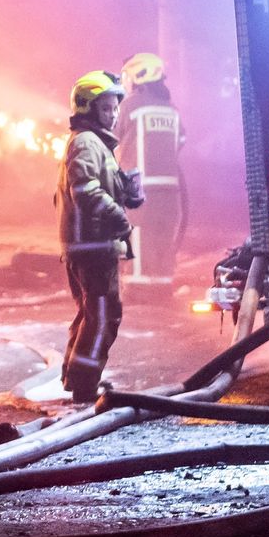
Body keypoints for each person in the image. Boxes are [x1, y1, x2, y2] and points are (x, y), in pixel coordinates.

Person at [57, 70, 143, 400]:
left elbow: (98, 187)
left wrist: (126, 190)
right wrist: (120, 220)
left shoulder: (95, 144)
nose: (113, 114)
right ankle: (84, 385)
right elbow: (86, 191)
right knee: (105, 316)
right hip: (93, 247)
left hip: (90, 245)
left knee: (91, 315)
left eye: (114, 108)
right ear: (88, 109)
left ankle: (75, 378)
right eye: (106, 109)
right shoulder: (87, 143)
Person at [114, 52, 187, 286]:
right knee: (163, 240)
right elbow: (180, 141)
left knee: (138, 238)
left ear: (138, 76)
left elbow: (108, 137)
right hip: (169, 192)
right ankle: (163, 289)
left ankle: (139, 291)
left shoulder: (129, 106)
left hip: (139, 189)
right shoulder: (171, 109)